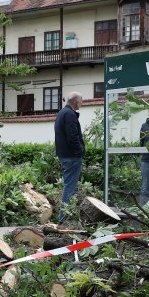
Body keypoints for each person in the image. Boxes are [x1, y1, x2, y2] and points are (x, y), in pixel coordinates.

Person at [54, 91, 85, 221]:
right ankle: (64, 218)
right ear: (76, 102)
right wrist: (79, 151)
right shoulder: (70, 114)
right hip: (71, 156)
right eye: (81, 102)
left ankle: (67, 216)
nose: (81, 104)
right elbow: (73, 137)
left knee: (69, 186)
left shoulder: (62, 113)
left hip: (65, 155)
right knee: (70, 188)